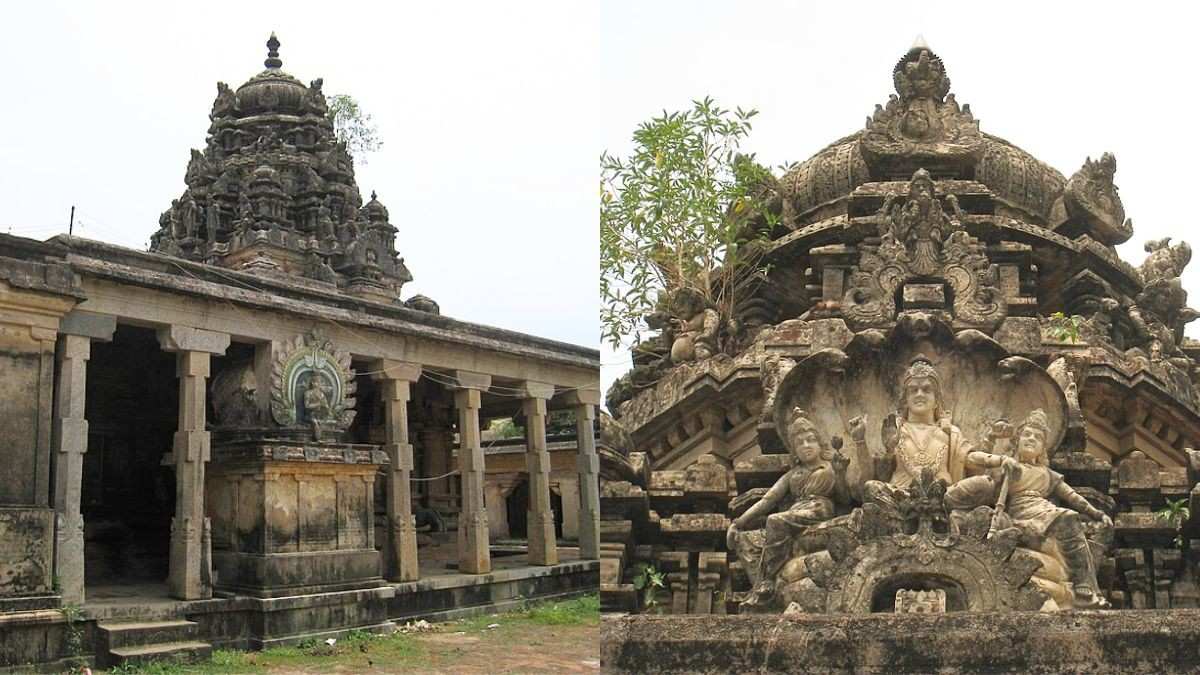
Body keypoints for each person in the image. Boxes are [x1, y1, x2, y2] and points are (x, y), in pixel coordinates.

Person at [954, 408, 1111, 608]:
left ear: (1043, 449)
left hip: (1046, 513)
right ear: (1016, 441)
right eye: (1026, 434)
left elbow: (1073, 497)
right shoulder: (1009, 467)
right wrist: (993, 442)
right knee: (1063, 520)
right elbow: (975, 464)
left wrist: (1096, 513)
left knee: (1070, 519)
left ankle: (1084, 584)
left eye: (1037, 437)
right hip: (1019, 517)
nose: (1031, 439)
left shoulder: (1047, 474)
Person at [727, 407, 847, 607]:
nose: (806, 445)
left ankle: (766, 580)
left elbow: (844, 498)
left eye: (810, 440)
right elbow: (768, 500)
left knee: (774, 520)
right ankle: (765, 584)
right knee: (748, 538)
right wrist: (739, 522)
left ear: (820, 444)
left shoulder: (831, 467)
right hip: (795, 514)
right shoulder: (793, 475)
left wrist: (841, 474)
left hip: (819, 510)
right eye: (799, 443)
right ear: (794, 451)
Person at [857, 355, 970, 509]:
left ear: (937, 400)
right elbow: (881, 477)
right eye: (913, 390)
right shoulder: (895, 430)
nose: (919, 394)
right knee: (871, 488)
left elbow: (970, 460)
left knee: (984, 484)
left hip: (944, 496)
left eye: (926, 390)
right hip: (902, 495)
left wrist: (996, 455)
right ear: (905, 399)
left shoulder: (950, 433)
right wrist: (889, 450)